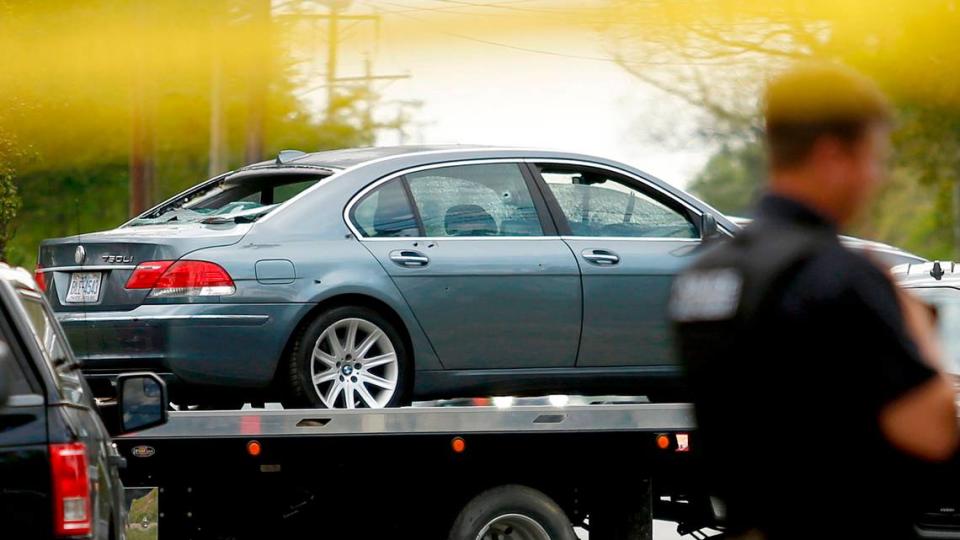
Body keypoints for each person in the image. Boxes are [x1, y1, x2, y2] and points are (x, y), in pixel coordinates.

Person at [670, 63, 959, 538]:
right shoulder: (839, 275)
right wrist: (916, 322)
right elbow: (932, 432)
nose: (877, 178)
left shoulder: (703, 275)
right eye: (873, 158)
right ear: (831, 156)